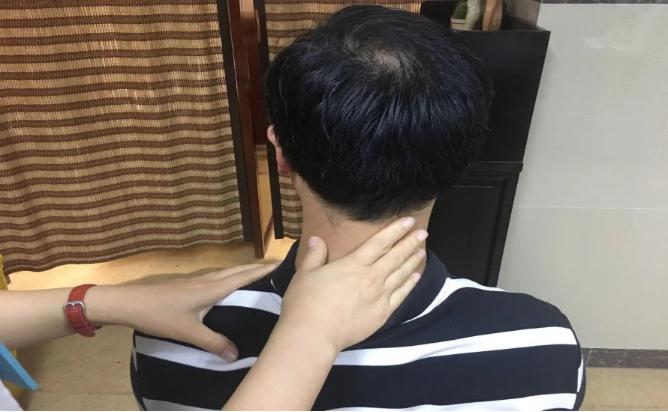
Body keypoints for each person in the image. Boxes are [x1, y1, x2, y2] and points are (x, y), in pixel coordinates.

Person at [131, 5, 586, 411]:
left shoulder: (176, 337)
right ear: (460, 160)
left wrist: (97, 303)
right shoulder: (542, 349)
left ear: (281, 151)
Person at [0, 218, 424, 411]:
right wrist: (311, 334)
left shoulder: (162, 349)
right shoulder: (482, 341)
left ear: (280, 152)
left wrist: (103, 302)